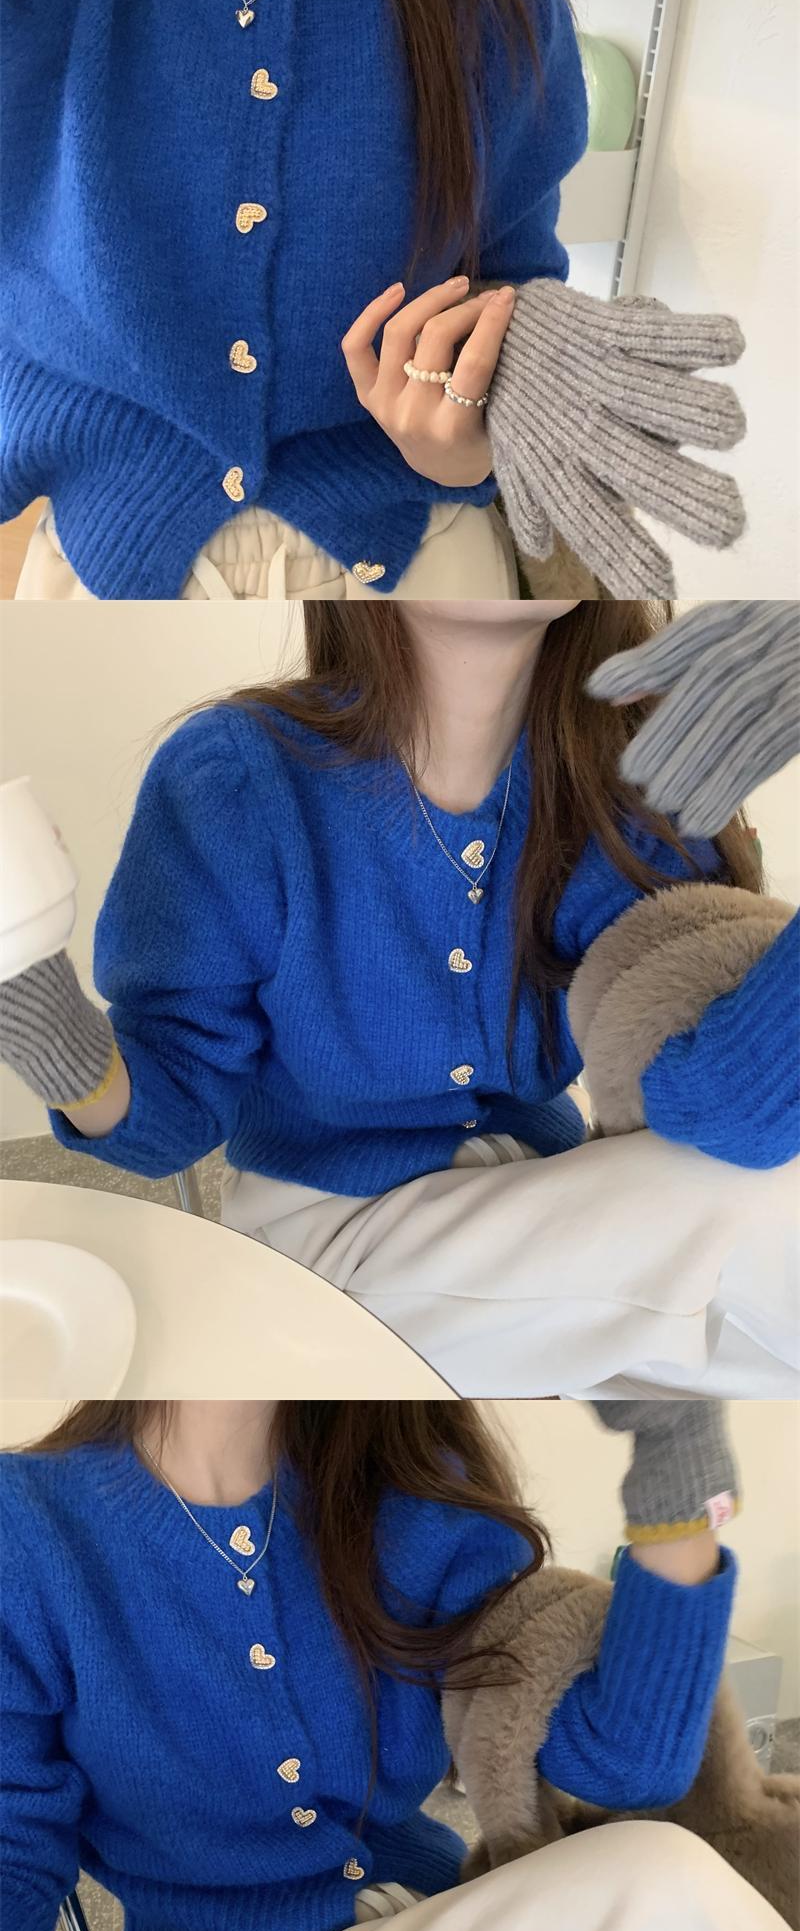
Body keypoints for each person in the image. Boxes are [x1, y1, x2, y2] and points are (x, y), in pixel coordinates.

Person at [2, 1394, 797, 1931]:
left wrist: (677, 1442)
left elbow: (629, 1765)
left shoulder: (403, 1488)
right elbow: (13, 1849)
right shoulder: (28, 1526)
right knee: (654, 1881)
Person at [0, 598, 796, 1395]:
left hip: (555, 1203)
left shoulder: (635, 789)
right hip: (330, 1241)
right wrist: (39, 1015)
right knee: (753, 1230)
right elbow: (169, 1119)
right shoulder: (238, 779)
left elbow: (731, 1108)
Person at [1, 0, 590, 599]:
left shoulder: (496, 0)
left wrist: (476, 442)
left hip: (425, 571)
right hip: (103, 584)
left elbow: (517, 298)